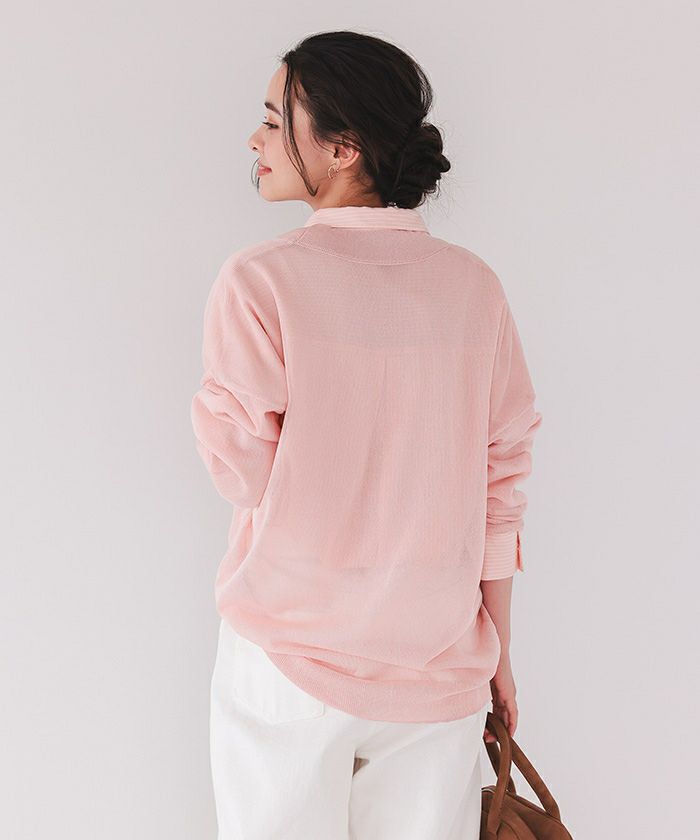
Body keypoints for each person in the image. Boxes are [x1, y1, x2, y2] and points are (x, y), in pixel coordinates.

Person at [190, 30, 543, 840]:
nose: (255, 140)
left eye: (274, 121)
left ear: (343, 148)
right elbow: (503, 482)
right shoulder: (474, 289)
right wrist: (499, 651)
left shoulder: (260, 280)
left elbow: (240, 473)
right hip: (437, 669)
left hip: (289, 659)